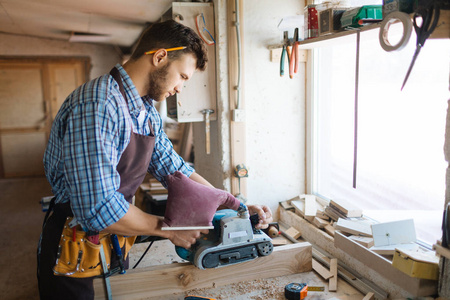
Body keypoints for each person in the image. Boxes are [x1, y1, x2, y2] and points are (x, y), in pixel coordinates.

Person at [37, 20, 273, 299]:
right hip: (72, 248)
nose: (180, 89)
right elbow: (98, 209)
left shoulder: (144, 110)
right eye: (183, 77)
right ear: (160, 57)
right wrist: (171, 231)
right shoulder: (99, 104)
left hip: (110, 240)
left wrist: (237, 207)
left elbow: (175, 169)